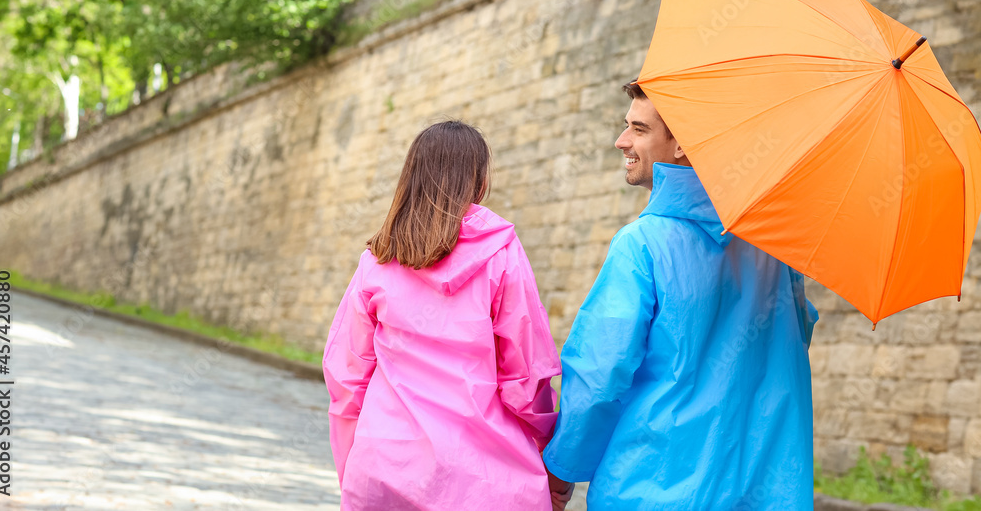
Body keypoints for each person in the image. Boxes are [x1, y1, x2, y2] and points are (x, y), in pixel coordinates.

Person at [542, 81, 819, 510]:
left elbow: (600, 374)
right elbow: (792, 343)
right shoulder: (777, 254)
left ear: (681, 146)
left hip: (649, 492)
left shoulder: (642, 245)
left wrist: (561, 472)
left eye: (638, 129)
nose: (622, 141)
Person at [323, 120, 565, 511]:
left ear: (411, 177)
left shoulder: (378, 259)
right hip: (485, 477)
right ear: (480, 181)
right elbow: (525, 373)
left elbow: (347, 378)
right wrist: (548, 450)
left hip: (385, 464)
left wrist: (354, 465)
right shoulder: (501, 254)